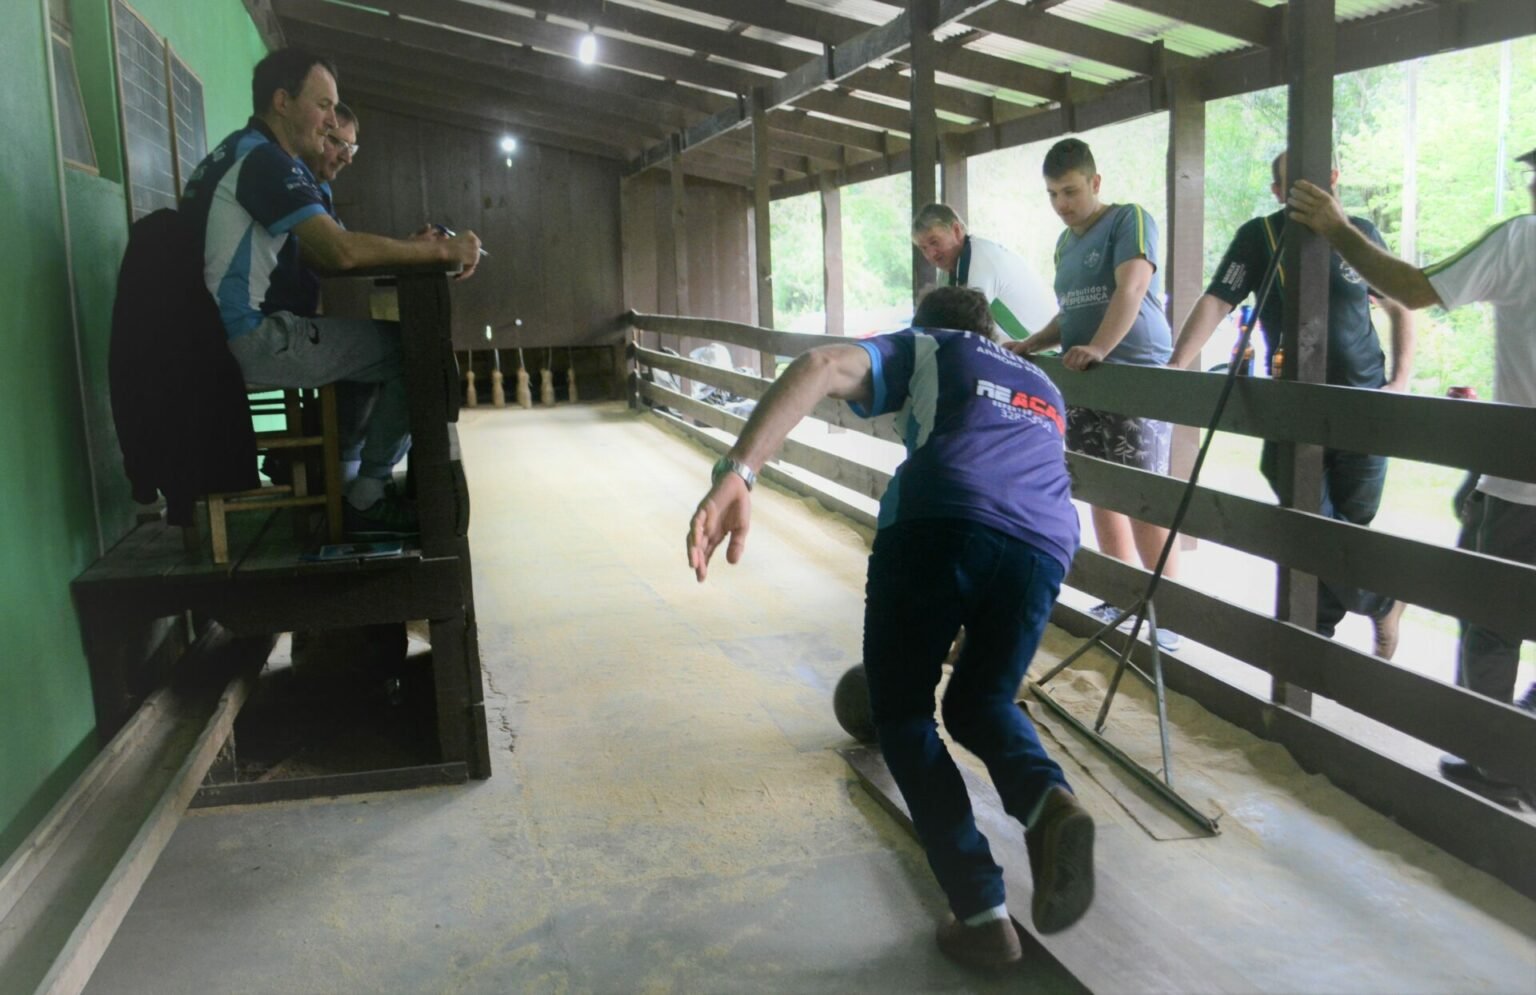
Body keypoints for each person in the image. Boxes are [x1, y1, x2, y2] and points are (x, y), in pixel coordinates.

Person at [687, 285, 1094, 969]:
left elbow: (821, 365)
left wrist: (740, 470)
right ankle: (1047, 804)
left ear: (924, 327)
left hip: (941, 515)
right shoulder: (1044, 385)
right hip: (1045, 543)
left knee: (903, 712)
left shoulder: (933, 344)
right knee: (982, 701)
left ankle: (982, 910)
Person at [1288, 147, 1536, 807]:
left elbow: (1415, 289)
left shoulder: (1525, 238)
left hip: (1525, 481)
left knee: (1492, 615)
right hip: (1509, 467)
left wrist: (1338, 230)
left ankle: (1498, 763)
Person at [179, 49, 481, 534]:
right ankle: (365, 496)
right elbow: (338, 253)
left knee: (365, 349)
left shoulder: (243, 152)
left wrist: (411, 248)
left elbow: (321, 254)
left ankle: (345, 482)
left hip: (211, 337)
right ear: (282, 101)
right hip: (247, 339)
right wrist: (443, 253)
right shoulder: (264, 161)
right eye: (323, 107)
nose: (330, 124)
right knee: (415, 353)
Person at [1169, 151, 1414, 659]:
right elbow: (1217, 300)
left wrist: (1402, 379)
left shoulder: (1362, 231)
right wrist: (1176, 367)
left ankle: (1313, 638)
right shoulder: (1259, 236)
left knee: (1351, 519)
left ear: (1333, 181)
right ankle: (1381, 602)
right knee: (1307, 516)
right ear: (1278, 191)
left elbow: (1399, 301)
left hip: (1366, 401)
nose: (1301, 195)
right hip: (1290, 405)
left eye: (1312, 185)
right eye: (1290, 187)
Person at [1016, 138, 1182, 649]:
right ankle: (1118, 593)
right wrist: (1034, 341)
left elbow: (1131, 288)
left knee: (1143, 497)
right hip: (1084, 376)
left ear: (1095, 183)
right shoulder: (1066, 244)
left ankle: (1169, 616)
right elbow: (1072, 309)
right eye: (1052, 195)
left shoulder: (1129, 219)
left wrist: (1100, 348)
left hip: (1133, 375)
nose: (1062, 204)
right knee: (1096, 487)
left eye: (1070, 191)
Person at [911, 203, 1057, 341]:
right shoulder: (952, 265)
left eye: (934, 242)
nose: (931, 254)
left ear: (956, 230)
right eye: (923, 248)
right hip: (1021, 352)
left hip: (1044, 354)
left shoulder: (978, 259)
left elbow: (965, 329)